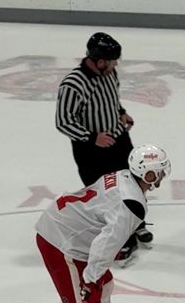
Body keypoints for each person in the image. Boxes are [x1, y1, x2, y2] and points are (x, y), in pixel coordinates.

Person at [34, 145, 171, 303]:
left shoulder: (123, 175)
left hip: (69, 230)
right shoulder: (131, 203)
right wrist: (90, 279)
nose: (162, 174)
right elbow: (106, 243)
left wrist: (95, 277)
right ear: (148, 174)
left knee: (104, 285)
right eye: (159, 170)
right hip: (60, 240)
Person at [55, 32, 150, 260]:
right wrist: (91, 138)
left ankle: (136, 223)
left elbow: (112, 98)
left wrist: (121, 113)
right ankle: (119, 239)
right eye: (112, 61)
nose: (116, 65)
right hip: (91, 150)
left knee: (132, 183)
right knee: (107, 194)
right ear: (99, 61)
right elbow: (63, 121)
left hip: (119, 139)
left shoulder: (109, 73)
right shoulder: (73, 84)